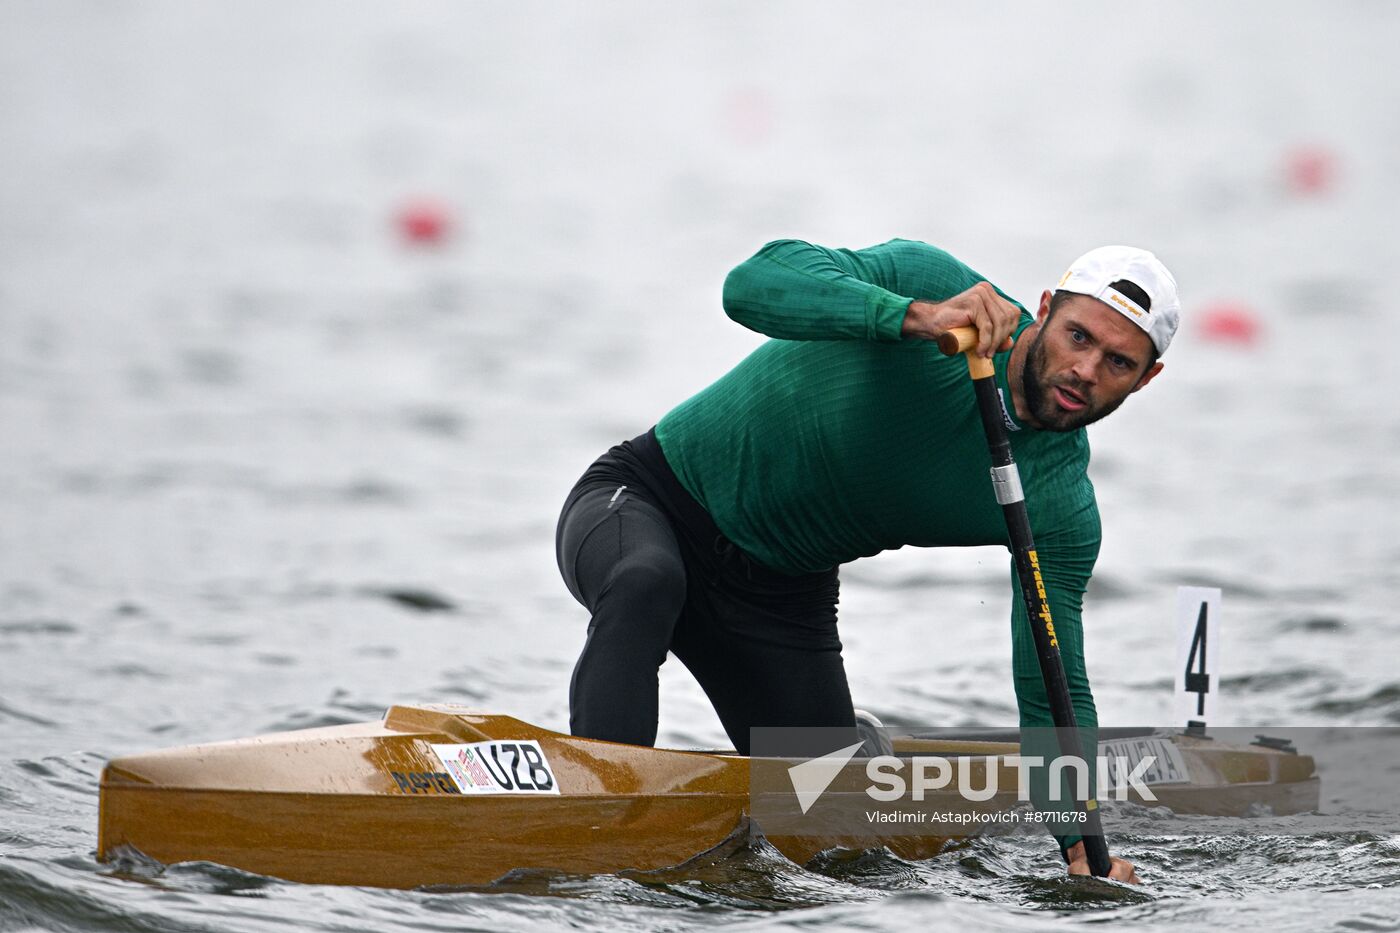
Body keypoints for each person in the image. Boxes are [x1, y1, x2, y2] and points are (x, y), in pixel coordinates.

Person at [555, 238, 1178, 883]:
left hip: (777, 601)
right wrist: (916, 316)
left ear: (1147, 378)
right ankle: (599, 814)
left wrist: (1082, 844)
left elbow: (1054, 688)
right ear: (1045, 309)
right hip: (645, 502)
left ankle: (856, 748)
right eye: (1077, 337)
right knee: (646, 581)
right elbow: (750, 283)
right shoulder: (939, 289)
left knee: (840, 842)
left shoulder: (1060, 509)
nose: (1085, 370)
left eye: (1118, 362)